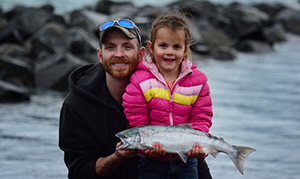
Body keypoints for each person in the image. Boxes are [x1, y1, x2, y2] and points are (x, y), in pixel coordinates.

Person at [122, 13, 213, 179]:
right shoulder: (140, 81)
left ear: (186, 50)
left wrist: (197, 142)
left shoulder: (198, 82)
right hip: (150, 163)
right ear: (151, 47)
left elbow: (202, 116)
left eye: (176, 47)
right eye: (163, 46)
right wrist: (146, 146)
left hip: (187, 161)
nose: (169, 52)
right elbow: (137, 118)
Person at [59, 18, 146, 179]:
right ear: (100, 55)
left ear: (141, 54)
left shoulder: (160, 93)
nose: (119, 54)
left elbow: (190, 159)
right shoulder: (76, 105)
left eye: (127, 47)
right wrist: (117, 158)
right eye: (110, 47)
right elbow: (79, 171)